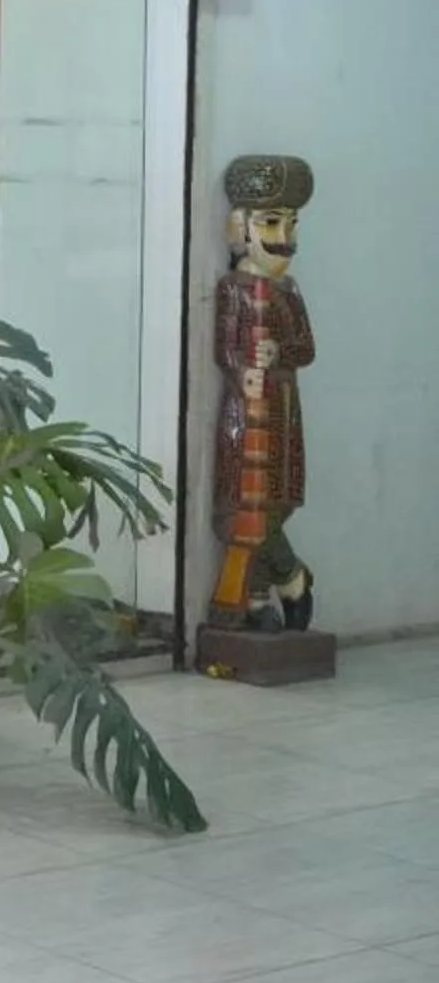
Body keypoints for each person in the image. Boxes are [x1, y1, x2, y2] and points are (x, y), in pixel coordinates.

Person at [209, 154, 318, 633]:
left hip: (281, 409)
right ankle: (286, 582)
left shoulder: (288, 291)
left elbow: (306, 347)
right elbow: (226, 347)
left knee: (273, 504)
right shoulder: (233, 288)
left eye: (290, 223)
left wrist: (281, 352)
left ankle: (262, 595)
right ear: (242, 227)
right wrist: (243, 368)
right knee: (238, 510)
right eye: (271, 222)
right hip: (243, 410)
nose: (284, 238)